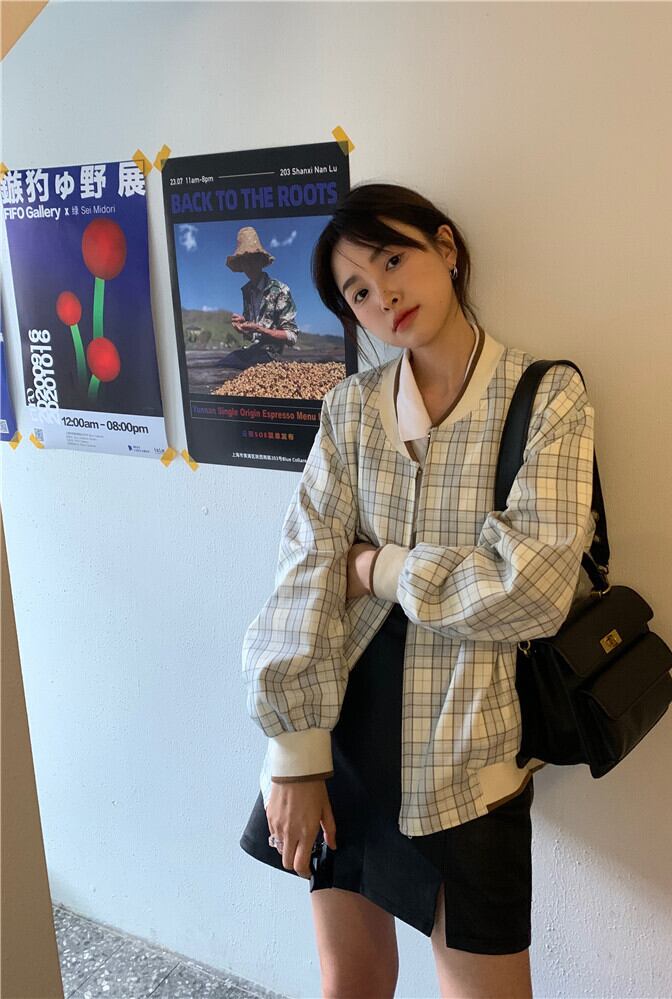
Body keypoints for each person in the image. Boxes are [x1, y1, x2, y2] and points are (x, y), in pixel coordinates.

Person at [239, 183, 596, 998]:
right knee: (352, 979)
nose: (384, 295)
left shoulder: (547, 397)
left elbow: (532, 590)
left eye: (393, 260)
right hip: (343, 736)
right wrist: (294, 755)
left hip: (468, 753)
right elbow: (305, 570)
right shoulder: (349, 409)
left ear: (447, 247)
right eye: (358, 290)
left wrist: (379, 567)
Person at [217, 226, 301, 369]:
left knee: (238, 368)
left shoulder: (280, 290)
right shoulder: (247, 291)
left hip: (272, 355)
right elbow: (253, 336)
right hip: (254, 351)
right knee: (222, 365)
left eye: (252, 259)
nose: (248, 266)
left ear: (261, 261)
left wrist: (260, 329)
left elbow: (292, 336)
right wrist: (244, 327)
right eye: (244, 261)